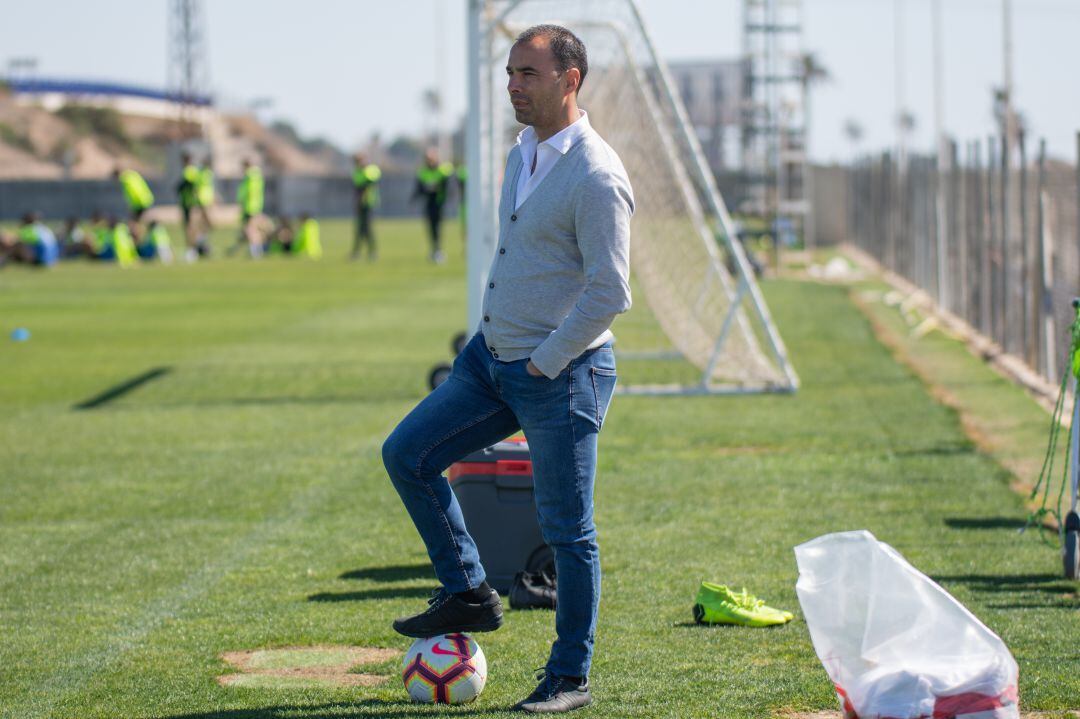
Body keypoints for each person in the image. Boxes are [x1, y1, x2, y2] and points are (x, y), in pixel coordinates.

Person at [382, 24, 632, 714]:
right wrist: (496, 348)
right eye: (510, 74)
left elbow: (610, 292)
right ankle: (469, 589)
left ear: (569, 79)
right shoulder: (520, 150)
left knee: (568, 531)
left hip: (561, 373)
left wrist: (548, 360)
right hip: (487, 362)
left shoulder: (597, 173)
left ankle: (569, 677)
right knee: (407, 454)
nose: (513, 86)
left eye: (528, 73)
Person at [413, 148, 453, 263]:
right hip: (429, 203)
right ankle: (434, 250)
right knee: (430, 228)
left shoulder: (442, 170)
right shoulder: (423, 172)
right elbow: (419, 188)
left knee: (437, 227)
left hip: (439, 203)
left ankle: (438, 251)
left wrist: (437, 189)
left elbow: (447, 186)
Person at [176, 152, 210, 262]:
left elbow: (190, 184)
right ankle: (197, 247)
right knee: (192, 227)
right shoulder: (194, 170)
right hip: (189, 202)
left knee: (190, 228)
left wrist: (180, 187)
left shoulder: (190, 170)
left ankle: (193, 250)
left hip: (189, 203)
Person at [229, 159, 266, 258]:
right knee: (254, 229)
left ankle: (255, 251)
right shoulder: (256, 175)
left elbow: (249, 191)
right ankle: (258, 250)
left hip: (250, 207)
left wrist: (242, 201)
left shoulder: (250, 176)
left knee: (250, 229)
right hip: (255, 206)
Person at [351, 153, 381, 261]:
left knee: (367, 228)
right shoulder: (356, 173)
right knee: (359, 228)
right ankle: (357, 252)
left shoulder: (371, 170)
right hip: (360, 204)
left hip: (369, 203)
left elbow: (370, 183)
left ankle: (372, 252)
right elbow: (357, 188)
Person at [113, 166, 154, 240]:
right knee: (136, 222)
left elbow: (134, 193)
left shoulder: (125, 180)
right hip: (145, 199)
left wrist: (133, 206)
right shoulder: (132, 175)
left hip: (139, 203)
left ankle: (139, 238)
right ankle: (139, 237)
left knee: (133, 224)